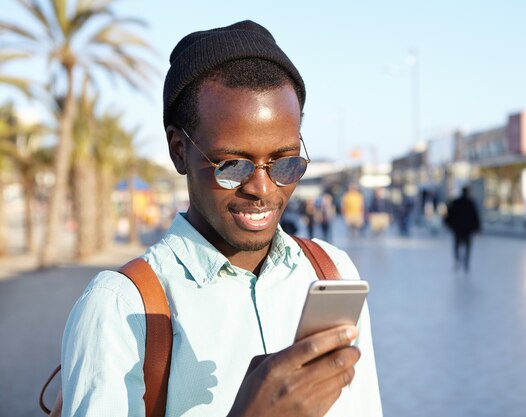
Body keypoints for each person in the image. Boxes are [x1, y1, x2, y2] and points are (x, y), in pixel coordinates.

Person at [60, 20, 382, 417]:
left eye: (285, 163)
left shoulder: (332, 274)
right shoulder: (120, 307)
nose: (262, 188)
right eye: (232, 166)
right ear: (179, 151)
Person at [444, 186, 481, 272]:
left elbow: (449, 214)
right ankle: (466, 262)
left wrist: (448, 224)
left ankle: (458, 259)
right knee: (467, 246)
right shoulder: (470, 203)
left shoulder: (456, 202)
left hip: (457, 228)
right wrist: (477, 228)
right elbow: (475, 216)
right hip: (467, 229)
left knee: (457, 244)